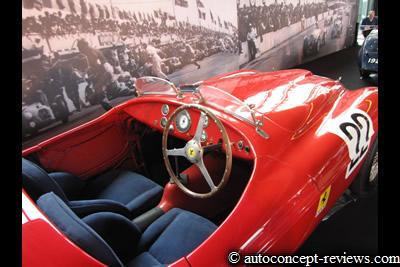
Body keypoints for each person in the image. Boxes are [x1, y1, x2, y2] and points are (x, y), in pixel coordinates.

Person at [76, 38, 114, 110]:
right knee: (100, 90)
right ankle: (107, 106)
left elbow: (96, 63)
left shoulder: (90, 52)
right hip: (104, 70)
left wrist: (90, 71)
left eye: (79, 47)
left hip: (102, 71)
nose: (79, 49)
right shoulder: (92, 50)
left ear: (84, 45)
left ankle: (108, 107)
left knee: (99, 89)